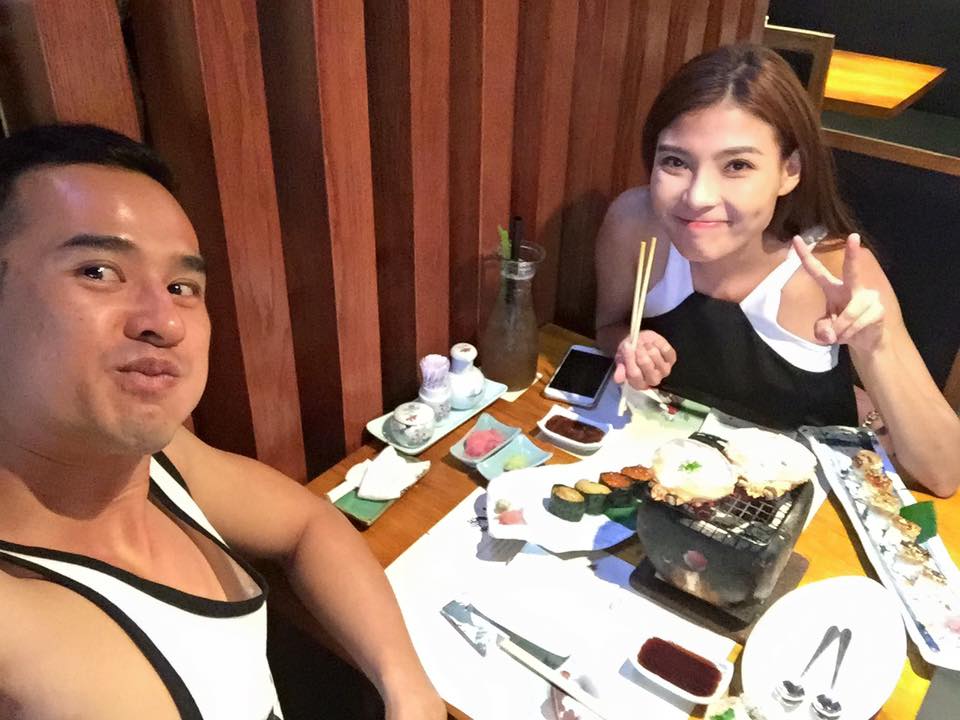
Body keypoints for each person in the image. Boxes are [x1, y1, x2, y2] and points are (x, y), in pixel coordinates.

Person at [0, 124, 445, 719]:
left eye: (181, 286)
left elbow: (308, 525)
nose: (165, 321)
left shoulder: (160, 462)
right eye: (98, 271)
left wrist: (408, 689)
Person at [595, 44, 959, 497]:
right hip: (668, 478)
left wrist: (876, 347)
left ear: (790, 170)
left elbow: (944, 473)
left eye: (737, 165)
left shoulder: (834, 271)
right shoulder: (635, 223)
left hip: (797, 501)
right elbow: (607, 327)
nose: (698, 197)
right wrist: (628, 344)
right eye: (675, 161)